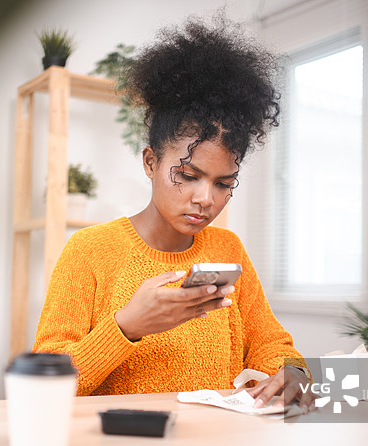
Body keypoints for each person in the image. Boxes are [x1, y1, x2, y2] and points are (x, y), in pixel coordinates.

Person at [33, 14, 315, 413]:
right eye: (187, 175)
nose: (205, 199)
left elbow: (270, 344)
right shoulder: (89, 250)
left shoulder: (227, 248)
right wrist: (126, 327)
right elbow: (46, 382)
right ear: (150, 162)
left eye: (223, 183)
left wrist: (291, 373)